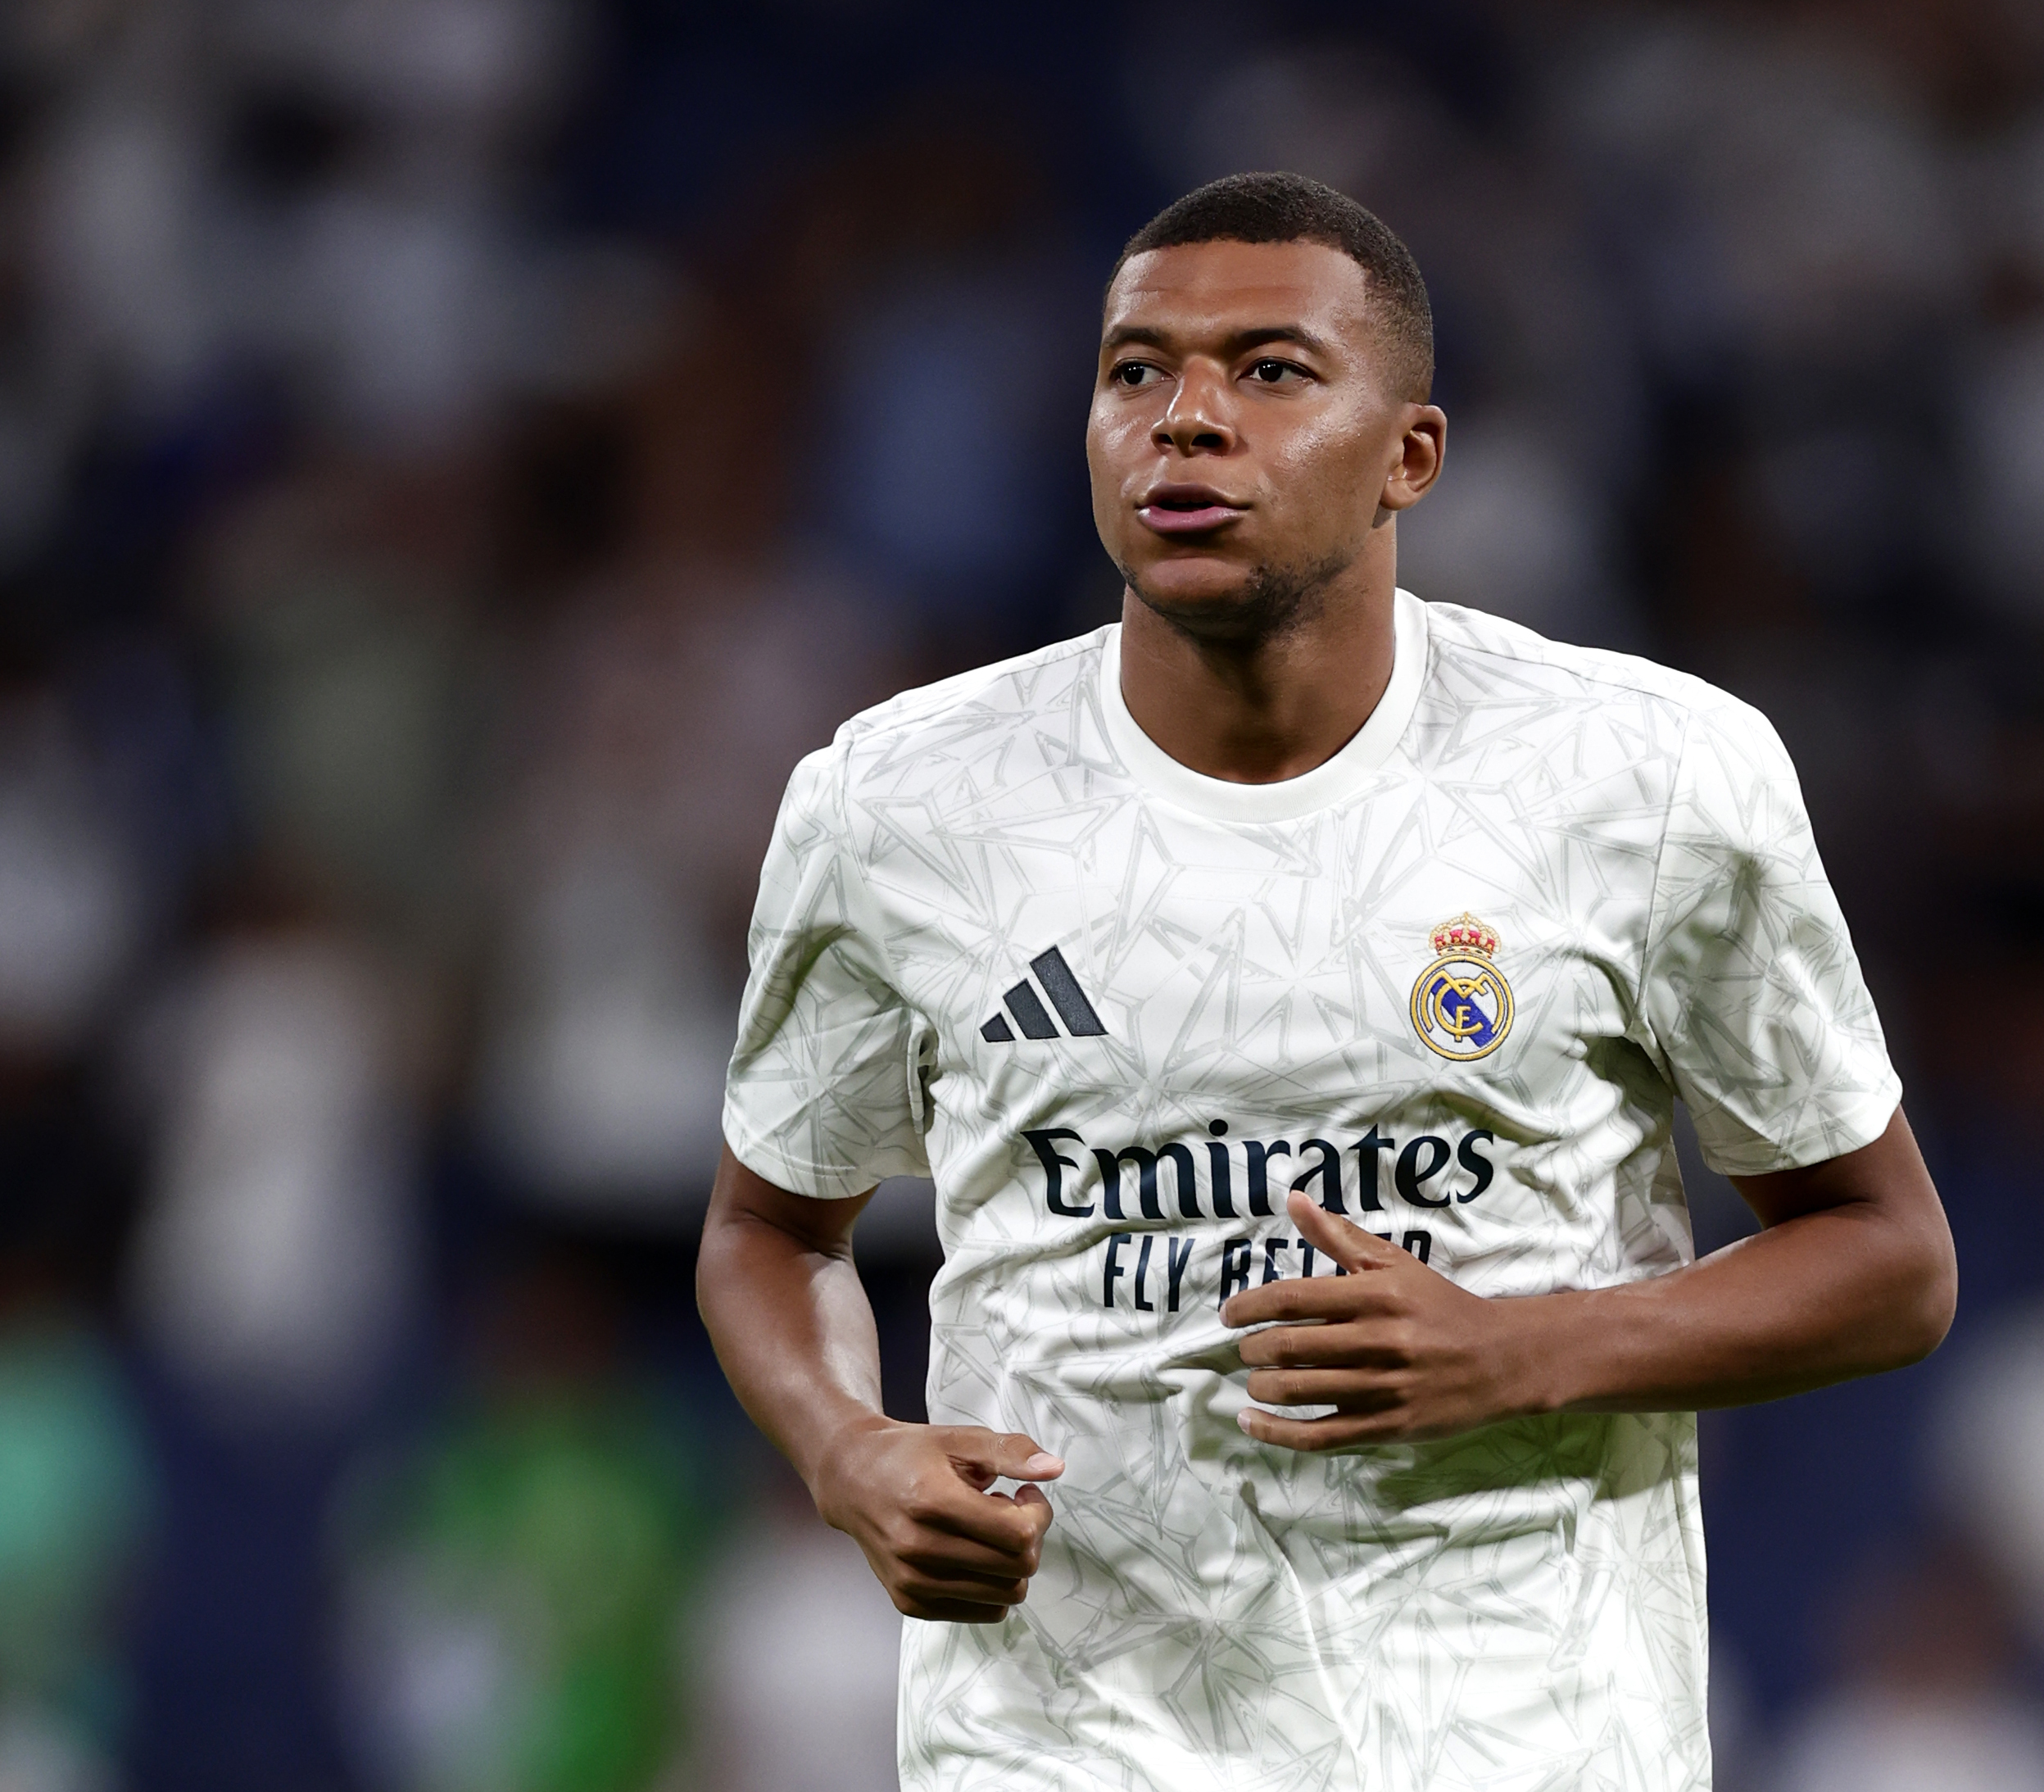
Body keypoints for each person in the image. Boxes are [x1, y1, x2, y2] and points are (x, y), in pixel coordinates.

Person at [696, 170, 1956, 1791]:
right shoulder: (901, 803)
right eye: (1134, 370)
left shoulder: (1646, 777)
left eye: (1268, 370)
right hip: (1066, 1744)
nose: (1185, 419)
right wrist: (846, 1444)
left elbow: (1888, 1258)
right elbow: (768, 1225)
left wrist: (1522, 1348)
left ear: (1407, 458)